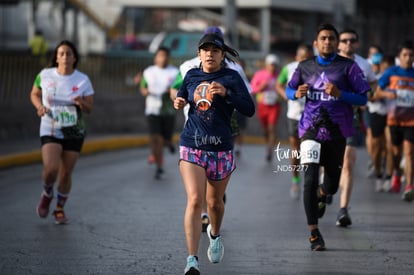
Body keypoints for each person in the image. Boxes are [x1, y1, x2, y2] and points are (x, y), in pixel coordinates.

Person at [174, 32, 255, 274]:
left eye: (215, 50)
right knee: (195, 200)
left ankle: (215, 235)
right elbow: (181, 96)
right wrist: (178, 102)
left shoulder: (231, 77)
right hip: (192, 144)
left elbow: (249, 109)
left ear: (222, 55)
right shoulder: (190, 75)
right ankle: (191, 260)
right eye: (205, 50)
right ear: (199, 54)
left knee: (215, 203)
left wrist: (227, 93)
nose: (210, 54)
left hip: (220, 148)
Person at [286, 23, 369, 251]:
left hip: (337, 132)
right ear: (316, 43)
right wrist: (296, 93)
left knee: (331, 185)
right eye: (323, 38)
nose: (327, 42)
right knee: (310, 180)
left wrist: (341, 94)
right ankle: (314, 232)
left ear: (336, 42)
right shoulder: (304, 67)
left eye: (331, 38)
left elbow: (363, 98)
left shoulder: (349, 67)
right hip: (310, 129)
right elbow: (288, 89)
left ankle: (324, 193)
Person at [30, 40, 94, 224]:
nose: (65, 57)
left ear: (74, 58)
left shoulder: (82, 79)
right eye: (61, 53)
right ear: (56, 58)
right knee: (51, 169)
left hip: (74, 129)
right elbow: (34, 93)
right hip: (50, 126)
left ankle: (59, 209)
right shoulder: (45, 75)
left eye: (69, 54)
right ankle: (47, 191)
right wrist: (39, 106)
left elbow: (90, 107)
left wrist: (82, 103)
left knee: (66, 173)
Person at [335, 29, 377, 227]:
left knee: (348, 163)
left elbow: (373, 83)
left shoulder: (363, 64)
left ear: (357, 44)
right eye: (344, 41)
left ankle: (343, 209)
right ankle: (326, 186)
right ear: (338, 43)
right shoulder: (329, 62)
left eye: (352, 41)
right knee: (330, 162)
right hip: (327, 118)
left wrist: (369, 95)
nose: (348, 44)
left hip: (351, 117)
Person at [375, 40, 414, 202]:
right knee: (396, 152)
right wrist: (387, 95)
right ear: (399, 56)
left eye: (411, 55)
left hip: (411, 120)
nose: (408, 58)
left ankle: (409, 186)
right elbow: (377, 92)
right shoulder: (391, 72)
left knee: (409, 152)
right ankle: (397, 171)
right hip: (394, 119)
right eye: (405, 55)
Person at [276, 43, 314, 199]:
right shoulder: (289, 68)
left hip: (312, 114)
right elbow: (279, 84)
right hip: (294, 114)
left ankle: (312, 179)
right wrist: (285, 94)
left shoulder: (317, 70)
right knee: (295, 148)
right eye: (301, 57)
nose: (303, 60)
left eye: (307, 58)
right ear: (296, 57)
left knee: (310, 147)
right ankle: (296, 178)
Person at [140, 46, 179, 179]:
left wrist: (170, 91)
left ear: (169, 58)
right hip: (152, 109)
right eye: (160, 55)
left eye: (165, 56)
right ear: (156, 57)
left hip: (168, 111)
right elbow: (143, 88)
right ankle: (159, 166)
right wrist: (146, 91)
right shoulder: (149, 72)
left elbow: (179, 89)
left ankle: (168, 144)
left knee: (164, 140)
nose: (162, 58)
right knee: (155, 138)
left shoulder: (175, 72)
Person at [250, 54, 284, 162]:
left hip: (274, 105)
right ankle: (267, 142)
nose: (273, 67)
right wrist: (261, 87)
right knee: (265, 129)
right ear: (267, 65)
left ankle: (270, 149)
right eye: (271, 65)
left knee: (272, 127)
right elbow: (253, 89)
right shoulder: (260, 74)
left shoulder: (279, 75)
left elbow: (285, 87)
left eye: (274, 65)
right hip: (262, 105)